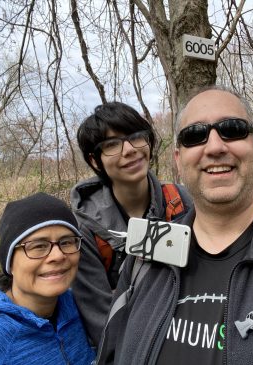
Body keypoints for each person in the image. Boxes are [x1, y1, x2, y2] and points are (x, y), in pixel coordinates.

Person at [95, 85, 253, 364]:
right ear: (178, 160)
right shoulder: (144, 256)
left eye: (233, 129)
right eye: (194, 136)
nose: (215, 146)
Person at [70, 101, 192, 346]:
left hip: (185, 329)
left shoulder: (179, 201)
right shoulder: (86, 229)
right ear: (95, 161)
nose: (129, 150)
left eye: (136, 137)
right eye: (112, 144)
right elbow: (102, 322)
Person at [0, 192, 95, 365]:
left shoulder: (80, 306)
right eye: (39, 246)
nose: (58, 255)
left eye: (67, 242)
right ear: (10, 263)